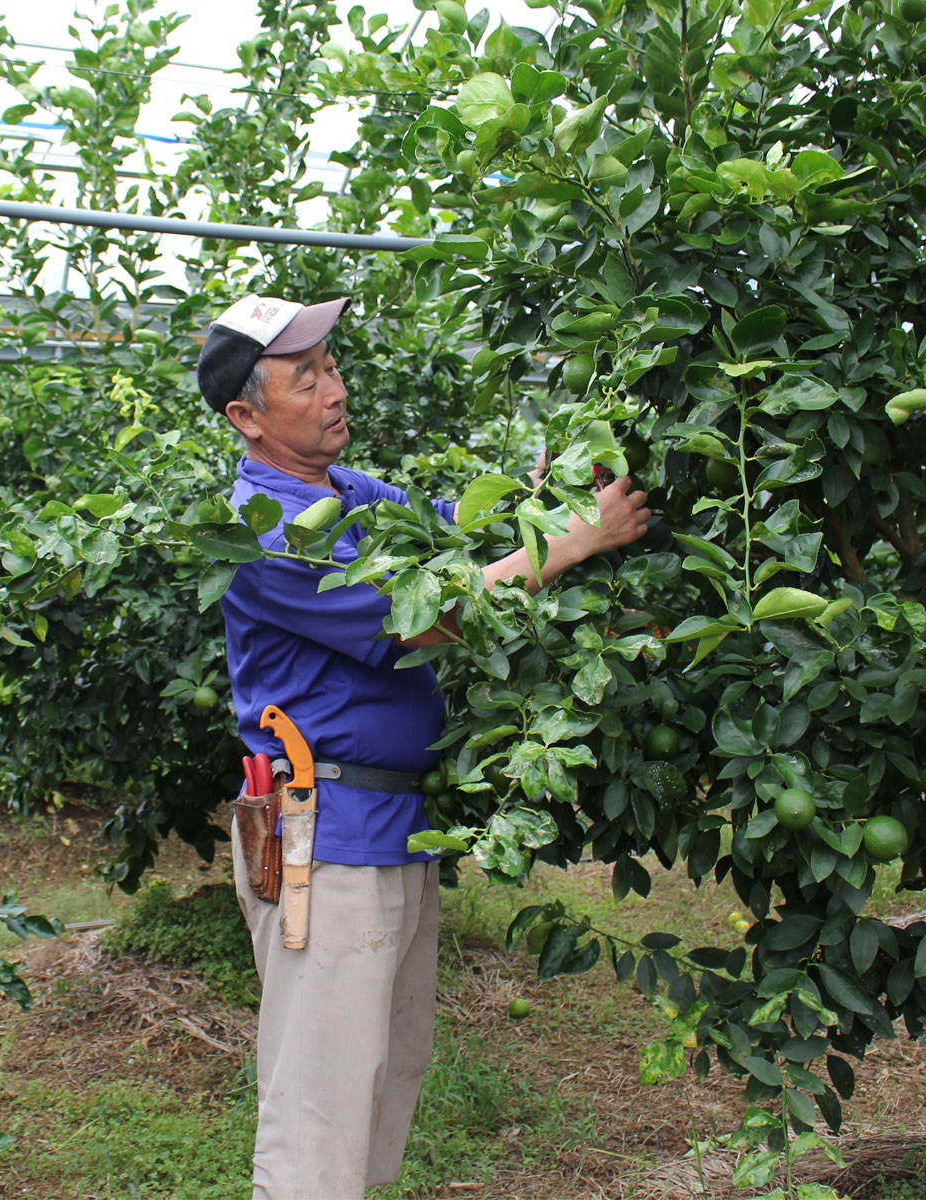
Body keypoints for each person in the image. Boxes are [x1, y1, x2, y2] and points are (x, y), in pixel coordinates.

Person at [196, 293, 650, 1200]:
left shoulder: (351, 496)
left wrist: (545, 490)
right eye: (305, 377)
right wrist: (575, 542)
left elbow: (459, 535)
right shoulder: (262, 530)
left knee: (383, 1078)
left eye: (331, 366)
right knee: (320, 1106)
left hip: (393, 824)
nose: (333, 388)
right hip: (325, 834)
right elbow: (423, 617)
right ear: (247, 415)